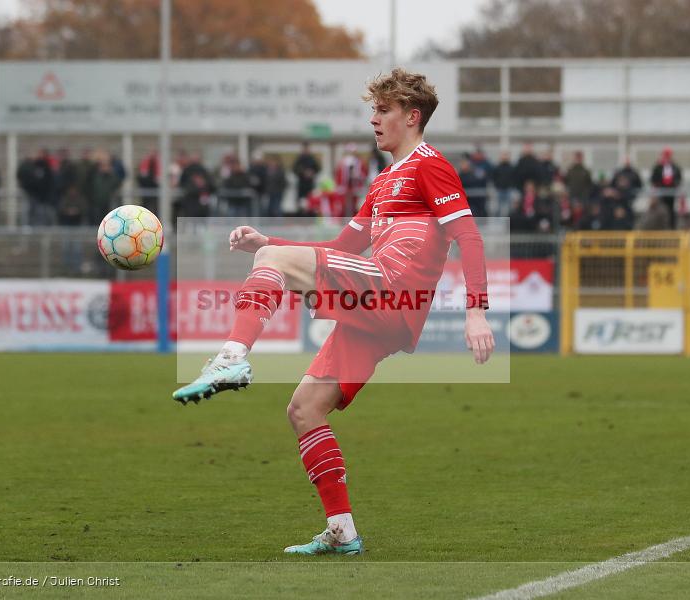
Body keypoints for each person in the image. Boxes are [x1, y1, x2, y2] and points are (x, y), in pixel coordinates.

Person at [171, 68, 494, 556]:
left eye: (384, 110)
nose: (374, 119)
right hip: (380, 315)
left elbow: (468, 236)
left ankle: (231, 358)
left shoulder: (429, 164)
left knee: (270, 265)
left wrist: (476, 311)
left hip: (392, 289)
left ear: (412, 116)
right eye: (374, 110)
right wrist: (270, 242)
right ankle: (342, 531)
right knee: (304, 409)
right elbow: (341, 247)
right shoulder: (384, 180)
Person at [649, 147, 683, 229]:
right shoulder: (658, 167)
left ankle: (671, 227)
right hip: (660, 193)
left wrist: (674, 185)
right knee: (660, 210)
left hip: (671, 193)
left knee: (671, 210)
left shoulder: (675, 167)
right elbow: (653, 179)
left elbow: (679, 178)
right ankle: (661, 228)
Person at [293, 142, 321, 208]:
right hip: (301, 185)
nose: (306, 150)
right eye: (305, 149)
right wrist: (303, 173)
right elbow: (294, 169)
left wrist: (312, 172)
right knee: (300, 204)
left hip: (310, 184)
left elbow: (318, 169)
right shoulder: (299, 159)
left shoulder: (312, 159)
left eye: (307, 149)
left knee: (310, 203)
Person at [490, 150, 514, 217]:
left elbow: (514, 177)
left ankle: (510, 222)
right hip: (499, 189)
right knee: (498, 207)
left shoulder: (511, 167)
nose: (504, 157)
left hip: (508, 189)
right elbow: (493, 177)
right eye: (503, 155)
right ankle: (498, 221)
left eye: (506, 155)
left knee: (509, 208)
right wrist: (496, 186)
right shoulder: (497, 167)